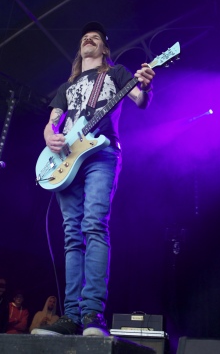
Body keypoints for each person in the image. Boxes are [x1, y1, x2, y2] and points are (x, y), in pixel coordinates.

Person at [32, 22, 155, 337]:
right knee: (72, 235)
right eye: (85, 36)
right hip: (66, 159)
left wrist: (146, 85)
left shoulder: (115, 74)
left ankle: (92, 316)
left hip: (101, 154)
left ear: (104, 49)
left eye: (96, 37)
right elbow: (52, 123)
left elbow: (140, 100)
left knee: (94, 225)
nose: (88, 38)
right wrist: (50, 138)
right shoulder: (67, 85)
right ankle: (71, 316)